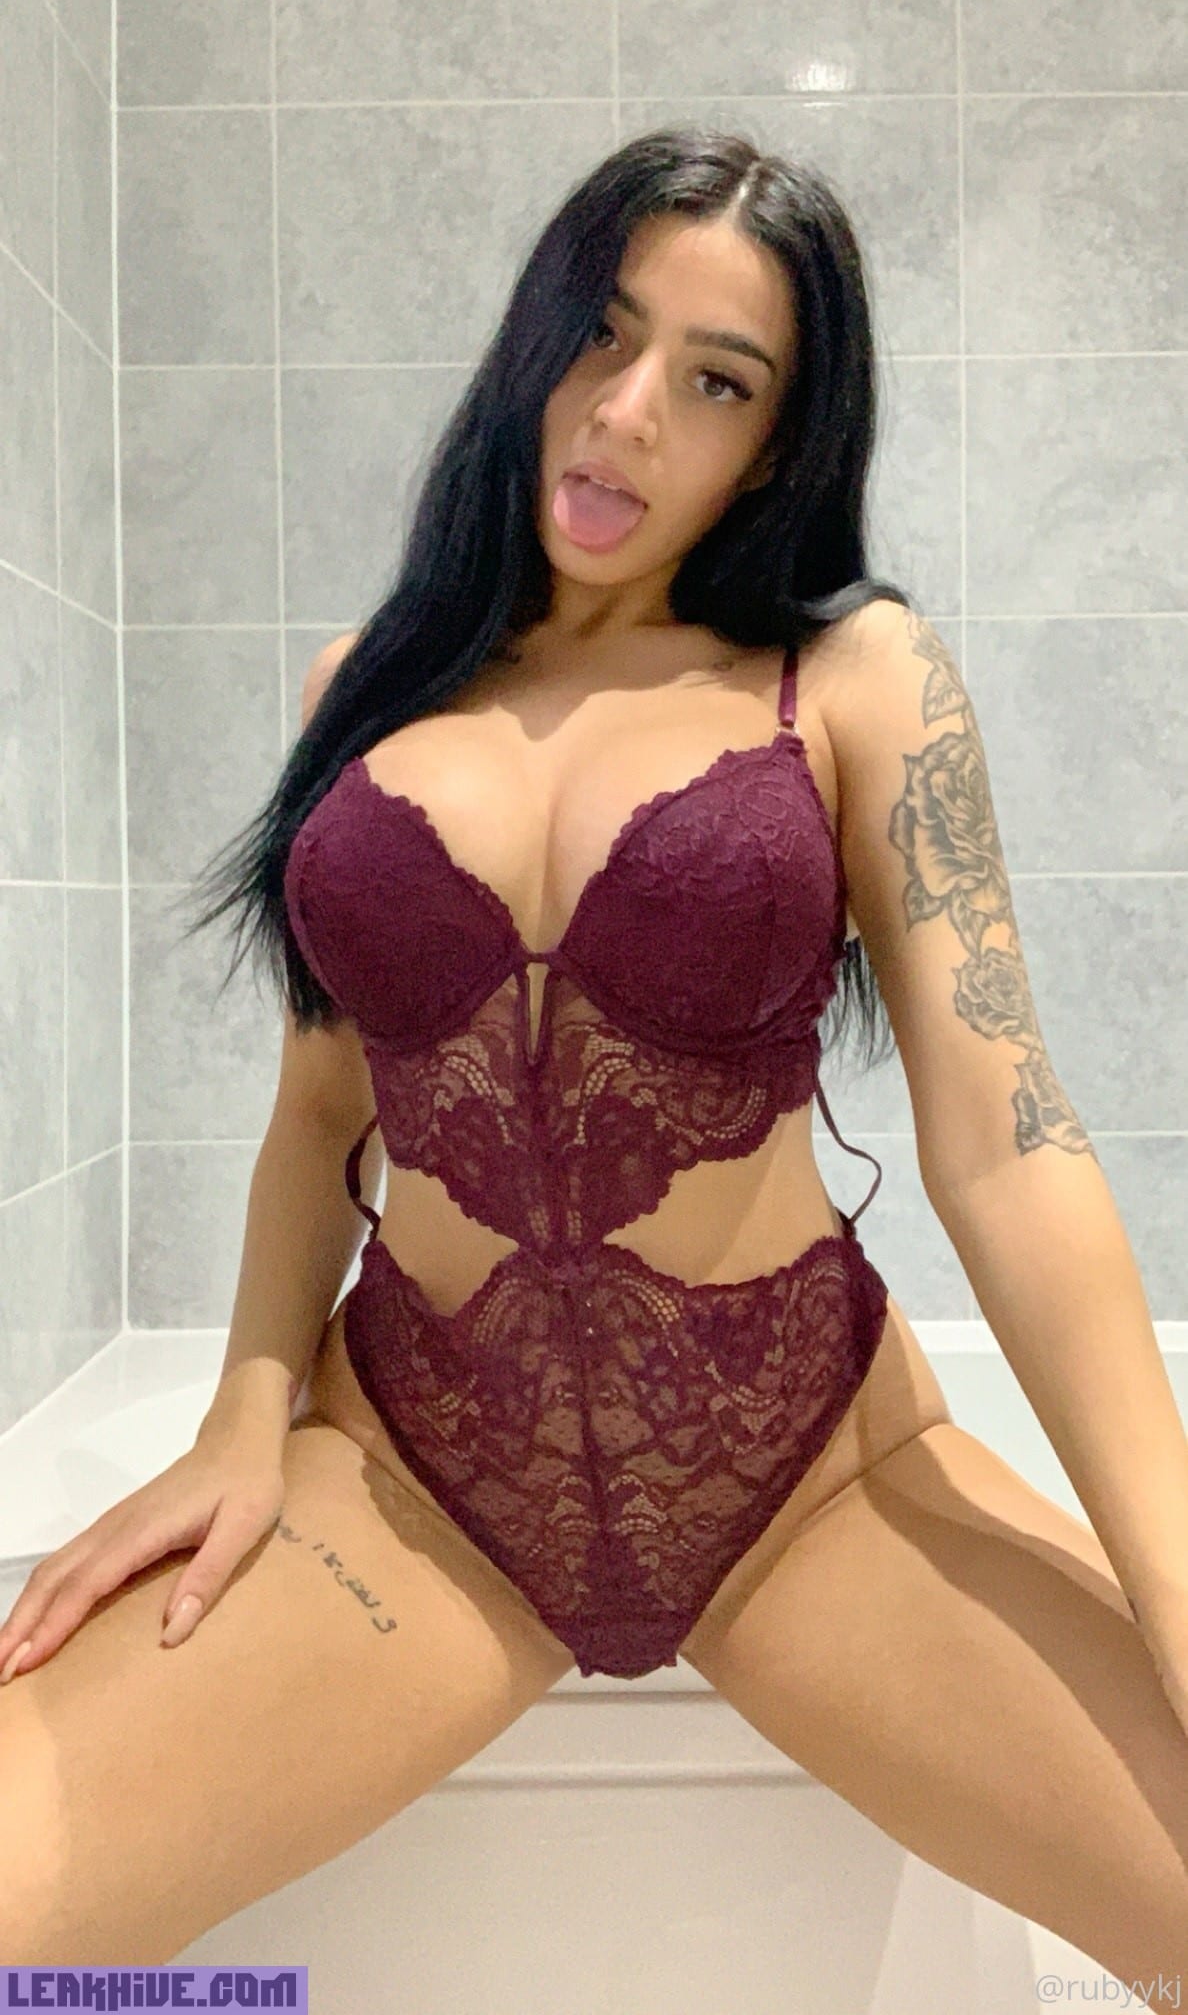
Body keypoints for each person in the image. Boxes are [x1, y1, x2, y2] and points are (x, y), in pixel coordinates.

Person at [1, 130, 1185, 1974]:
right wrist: (244, 1417)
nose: (628, 413)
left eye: (715, 381)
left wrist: (1178, 1598)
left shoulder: (855, 680)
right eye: (605, 334)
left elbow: (1010, 1148)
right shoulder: (362, 693)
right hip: (413, 1478)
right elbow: (320, 1112)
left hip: (807, 1477)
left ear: (774, 444)